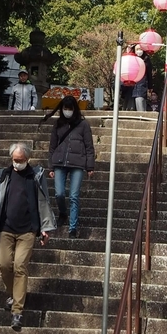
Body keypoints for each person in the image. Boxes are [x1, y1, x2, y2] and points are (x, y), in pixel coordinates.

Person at [0, 141, 55, 331]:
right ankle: (13, 294)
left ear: (27, 159)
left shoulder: (35, 176)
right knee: (4, 264)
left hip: (28, 230)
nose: (17, 163)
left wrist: (45, 228)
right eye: (14, 160)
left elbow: (44, 201)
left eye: (20, 160)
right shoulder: (4, 175)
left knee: (20, 266)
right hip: (6, 228)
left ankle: (17, 312)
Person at [48, 95, 95, 236]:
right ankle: (63, 213)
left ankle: (73, 227)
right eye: (65, 108)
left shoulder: (83, 124)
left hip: (78, 163)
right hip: (59, 163)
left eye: (70, 108)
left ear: (74, 109)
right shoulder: (58, 124)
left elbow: (89, 146)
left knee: (74, 195)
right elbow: (52, 146)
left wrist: (90, 167)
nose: (67, 111)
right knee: (59, 193)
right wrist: (51, 166)